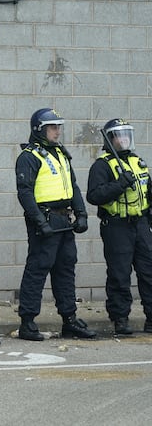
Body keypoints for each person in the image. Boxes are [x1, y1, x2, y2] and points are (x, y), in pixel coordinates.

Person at [15, 108, 96, 341]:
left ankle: (69, 320)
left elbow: (73, 186)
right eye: (53, 127)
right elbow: (25, 193)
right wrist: (39, 221)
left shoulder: (60, 153)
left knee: (65, 269)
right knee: (37, 269)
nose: (57, 131)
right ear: (39, 129)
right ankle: (27, 322)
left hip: (64, 219)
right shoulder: (29, 156)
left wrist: (81, 214)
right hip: (45, 219)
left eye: (58, 126)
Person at [86, 119, 152, 335]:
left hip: (140, 224)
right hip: (117, 226)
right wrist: (120, 184)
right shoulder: (102, 165)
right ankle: (120, 319)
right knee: (120, 274)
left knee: (148, 271)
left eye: (126, 135)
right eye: (118, 135)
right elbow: (94, 195)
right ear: (110, 139)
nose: (123, 139)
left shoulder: (137, 161)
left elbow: (147, 191)